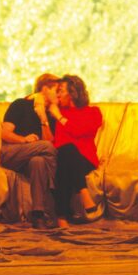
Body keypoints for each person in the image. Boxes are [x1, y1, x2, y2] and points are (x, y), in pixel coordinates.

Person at [0, 73, 60, 229]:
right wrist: (23, 140)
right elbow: (5, 134)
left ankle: (38, 215)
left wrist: (43, 119)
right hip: (12, 152)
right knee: (47, 147)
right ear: (45, 89)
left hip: (32, 158)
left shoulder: (49, 114)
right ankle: (55, 196)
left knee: (38, 162)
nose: (59, 95)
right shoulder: (20, 104)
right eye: (56, 90)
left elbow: (49, 141)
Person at [49, 75, 103, 228]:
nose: (58, 95)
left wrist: (59, 117)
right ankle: (84, 195)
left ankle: (61, 218)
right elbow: (58, 142)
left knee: (68, 151)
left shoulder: (93, 112)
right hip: (64, 158)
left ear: (72, 93)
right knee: (65, 153)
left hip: (85, 159)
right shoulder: (59, 113)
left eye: (61, 91)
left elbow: (79, 131)